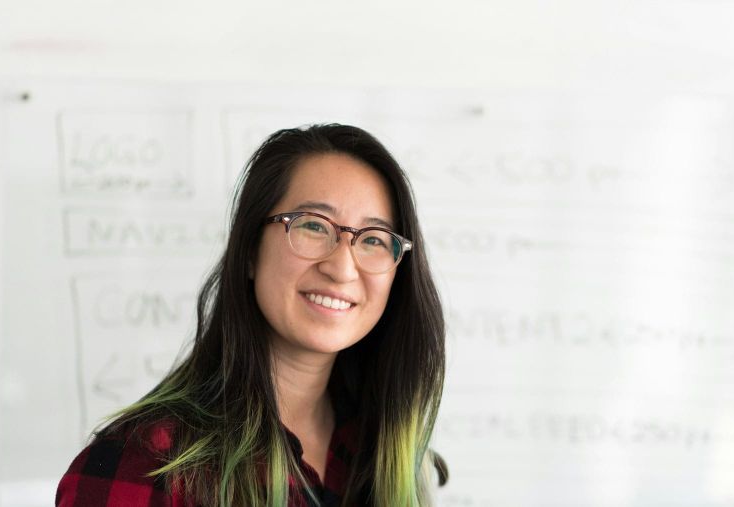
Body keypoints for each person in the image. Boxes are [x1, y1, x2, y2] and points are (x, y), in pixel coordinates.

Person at [56, 124, 447, 506]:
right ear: (248, 252)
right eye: (313, 225)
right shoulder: (144, 465)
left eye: (374, 239)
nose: (342, 268)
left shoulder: (389, 454)